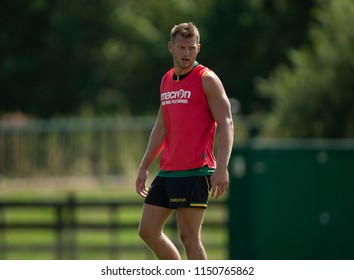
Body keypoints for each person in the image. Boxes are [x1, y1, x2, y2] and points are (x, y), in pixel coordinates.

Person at [135, 22, 234, 260]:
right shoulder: (166, 80)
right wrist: (144, 166)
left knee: (189, 236)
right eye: (181, 47)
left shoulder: (207, 79)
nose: (186, 54)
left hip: (196, 170)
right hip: (168, 170)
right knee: (147, 230)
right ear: (171, 47)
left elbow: (227, 123)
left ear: (198, 48)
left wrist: (221, 167)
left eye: (191, 48)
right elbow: (161, 127)